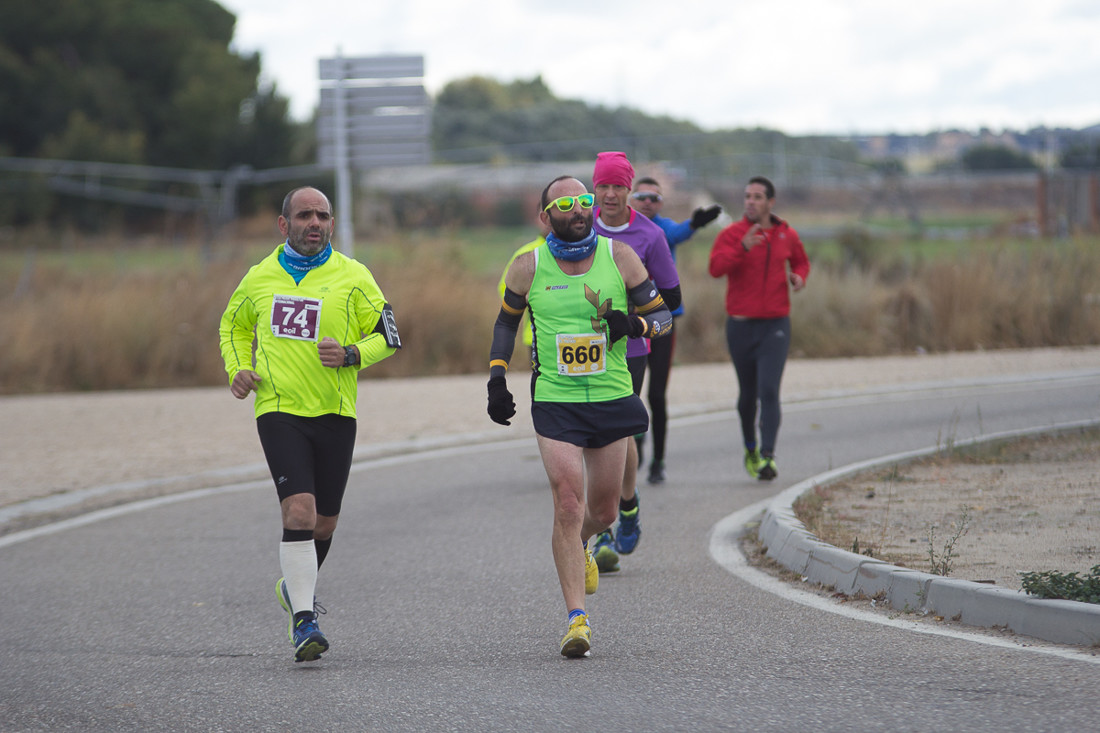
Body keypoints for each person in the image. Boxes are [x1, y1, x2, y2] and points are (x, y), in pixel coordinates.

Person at [486, 175, 672, 658]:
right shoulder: (528, 265)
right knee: (569, 502)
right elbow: (507, 323)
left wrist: (632, 323)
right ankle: (576, 619)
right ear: (545, 216)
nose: (580, 209)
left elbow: (664, 317)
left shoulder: (620, 257)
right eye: (566, 203)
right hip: (555, 398)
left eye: (584, 201)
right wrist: (496, 377)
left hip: (611, 395)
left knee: (603, 510)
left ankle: (587, 543)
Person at [219, 186, 402, 663]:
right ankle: (304, 621)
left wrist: (352, 354)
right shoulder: (259, 277)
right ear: (285, 225)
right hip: (278, 409)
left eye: (323, 215)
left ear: (332, 223)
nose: (314, 222)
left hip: (335, 411)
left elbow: (389, 334)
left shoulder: (354, 276)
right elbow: (233, 326)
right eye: (305, 215)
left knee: (324, 523)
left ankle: (294, 586)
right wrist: (237, 367)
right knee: (298, 513)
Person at [589, 153, 681, 575]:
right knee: (586, 440)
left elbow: (672, 301)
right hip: (577, 353)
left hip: (628, 352)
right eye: (602, 186)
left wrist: (634, 321)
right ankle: (610, 517)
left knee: (618, 433)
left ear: (630, 190)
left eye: (618, 186)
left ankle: (623, 508)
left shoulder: (649, 235)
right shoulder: (579, 225)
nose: (609, 194)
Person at [708, 176, 809, 481]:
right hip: (740, 326)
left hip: (775, 325)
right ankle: (750, 447)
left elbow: (801, 262)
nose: (750, 201)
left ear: (770, 202)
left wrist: (799, 277)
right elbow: (715, 268)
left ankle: (768, 457)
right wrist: (741, 247)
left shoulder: (786, 234)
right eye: (747, 196)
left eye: (757, 197)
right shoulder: (732, 234)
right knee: (748, 394)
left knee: (769, 390)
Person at [630, 176, 721, 484]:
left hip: (663, 322)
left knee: (657, 394)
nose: (647, 202)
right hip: (628, 324)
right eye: (642, 196)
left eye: (654, 198)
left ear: (661, 204)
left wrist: (695, 223)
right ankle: (635, 444)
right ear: (632, 198)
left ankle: (658, 460)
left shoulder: (661, 228)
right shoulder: (619, 231)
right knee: (630, 393)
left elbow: (679, 233)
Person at [497, 216, 551, 354]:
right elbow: (506, 288)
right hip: (536, 335)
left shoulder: (580, 251)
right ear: (539, 219)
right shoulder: (526, 254)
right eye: (545, 216)